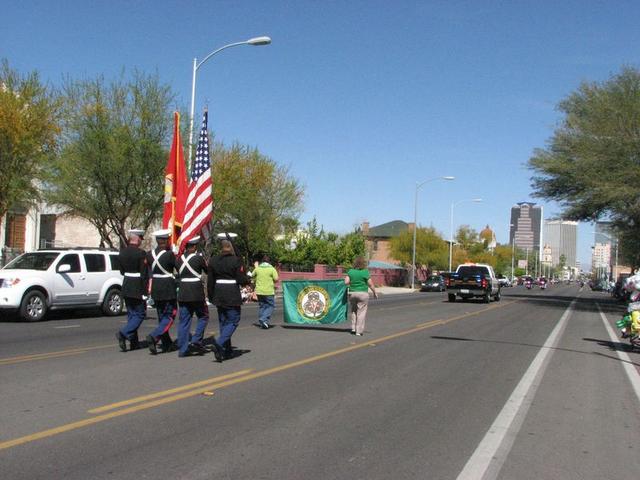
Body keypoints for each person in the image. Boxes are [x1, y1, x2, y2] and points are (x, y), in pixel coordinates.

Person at [207, 239, 250, 362]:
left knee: (223, 322)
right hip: (231, 292)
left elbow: (210, 281)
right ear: (230, 247)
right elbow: (241, 279)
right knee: (233, 320)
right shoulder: (236, 260)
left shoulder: (213, 260)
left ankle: (226, 350)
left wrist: (211, 296)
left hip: (218, 293)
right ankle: (219, 343)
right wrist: (247, 281)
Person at [145, 229, 178, 354]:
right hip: (167, 287)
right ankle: (154, 336)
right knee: (170, 315)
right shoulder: (170, 255)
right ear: (165, 240)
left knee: (161, 315)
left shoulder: (149, 254)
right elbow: (177, 267)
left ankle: (166, 343)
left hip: (156, 288)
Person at [176, 236, 209, 357]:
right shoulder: (198, 259)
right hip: (196, 292)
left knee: (184, 321)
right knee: (203, 316)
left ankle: (183, 348)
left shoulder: (179, 260)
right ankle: (196, 339)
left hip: (183, 292)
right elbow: (207, 270)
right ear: (194, 246)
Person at [116, 229, 148, 352]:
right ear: (137, 239)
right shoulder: (141, 253)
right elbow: (143, 274)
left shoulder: (122, 253)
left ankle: (133, 342)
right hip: (136, 285)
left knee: (131, 314)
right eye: (140, 238)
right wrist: (145, 292)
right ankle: (123, 333)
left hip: (126, 283)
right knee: (140, 314)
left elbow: (122, 271)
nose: (141, 241)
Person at [344, 256, 377, 336]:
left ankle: (353, 328)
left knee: (353, 311)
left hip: (352, 294)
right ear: (363, 263)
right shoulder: (365, 272)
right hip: (363, 294)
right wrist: (374, 292)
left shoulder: (351, 271)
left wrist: (351, 285)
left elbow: (346, 282)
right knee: (361, 312)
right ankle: (358, 331)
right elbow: (370, 284)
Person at [252, 254, 279, 329]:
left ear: (262, 261)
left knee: (262, 306)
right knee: (271, 306)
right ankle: (263, 319)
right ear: (269, 261)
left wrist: (256, 268)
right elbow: (276, 279)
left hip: (259, 291)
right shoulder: (271, 269)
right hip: (268, 291)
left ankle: (263, 323)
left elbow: (252, 275)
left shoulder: (258, 268)